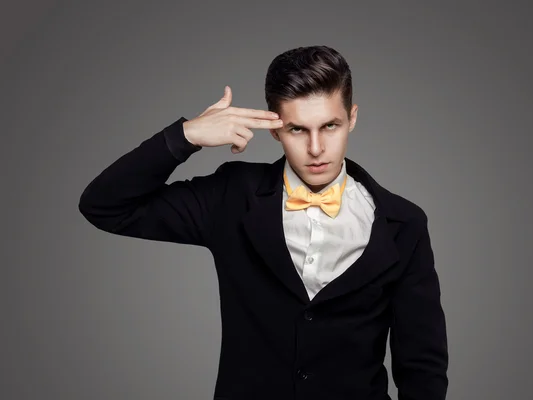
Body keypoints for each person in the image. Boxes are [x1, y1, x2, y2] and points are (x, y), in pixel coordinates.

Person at [79, 45, 448, 400]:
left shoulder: (404, 223)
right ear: (274, 129)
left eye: (331, 126)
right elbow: (105, 205)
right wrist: (185, 136)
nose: (316, 148)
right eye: (298, 130)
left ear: (352, 117)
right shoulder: (232, 197)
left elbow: (422, 363)